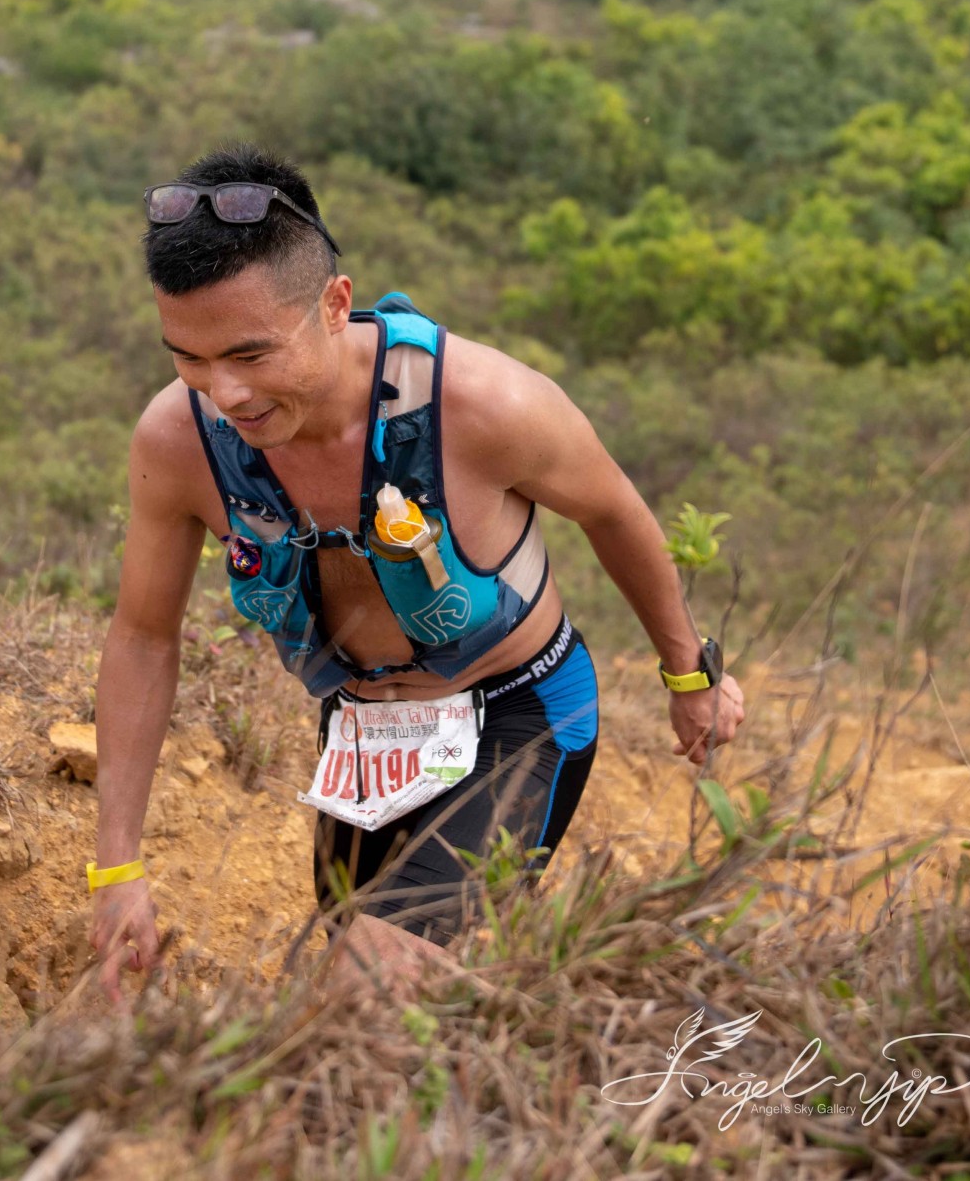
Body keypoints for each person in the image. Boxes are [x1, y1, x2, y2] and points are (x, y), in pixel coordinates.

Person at [87, 144, 745, 1003]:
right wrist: (117, 867)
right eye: (189, 357)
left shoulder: (482, 404)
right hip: (362, 736)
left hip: (519, 713)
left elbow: (614, 512)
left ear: (335, 304)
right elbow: (143, 636)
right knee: (386, 1004)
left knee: (370, 979)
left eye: (251, 355)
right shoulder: (179, 441)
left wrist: (690, 673)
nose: (226, 393)